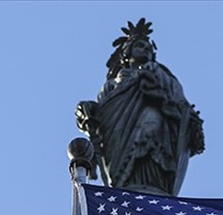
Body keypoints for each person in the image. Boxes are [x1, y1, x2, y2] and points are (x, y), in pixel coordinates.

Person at [77, 19, 204, 196]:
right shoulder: (112, 86)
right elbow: (103, 114)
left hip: (157, 124)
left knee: (151, 125)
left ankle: (152, 183)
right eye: (139, 46)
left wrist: (158, 92)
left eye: (148, 48)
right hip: (118, 142)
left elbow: (180, 105)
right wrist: (88, 109)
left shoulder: (162, 76)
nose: (144, 50)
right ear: (126, 55)